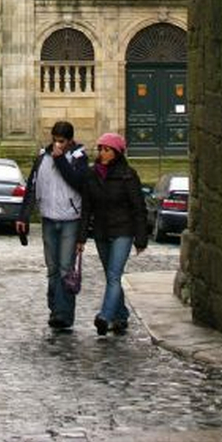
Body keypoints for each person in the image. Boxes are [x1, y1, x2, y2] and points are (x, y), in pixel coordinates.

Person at [16, 120, 88, 331]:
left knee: (66, 267)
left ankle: (63, 314)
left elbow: (79, 183)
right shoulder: (42, 157)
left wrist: (61, 161)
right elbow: (32, 185)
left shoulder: (79, 158)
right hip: (48, 217)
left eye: (62, 141)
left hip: (70, 220)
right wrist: (23, 216)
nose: (58, 145)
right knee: (52, 268)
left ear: (70, 140)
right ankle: (55, 308)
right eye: (55, 141)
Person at [77, 132, 147, 336]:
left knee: (114, 275)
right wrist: (81, 237)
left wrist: (140, 237)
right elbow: (86, 208)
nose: (102, 153)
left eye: (106, 150)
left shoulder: (128, 175)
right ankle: (121, 315)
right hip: (101, 231)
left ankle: (105, 317)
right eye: (100, 149)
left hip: (123, 231)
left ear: (117, 152)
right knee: (111, 276)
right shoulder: (92, 175)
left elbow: (138, 208)